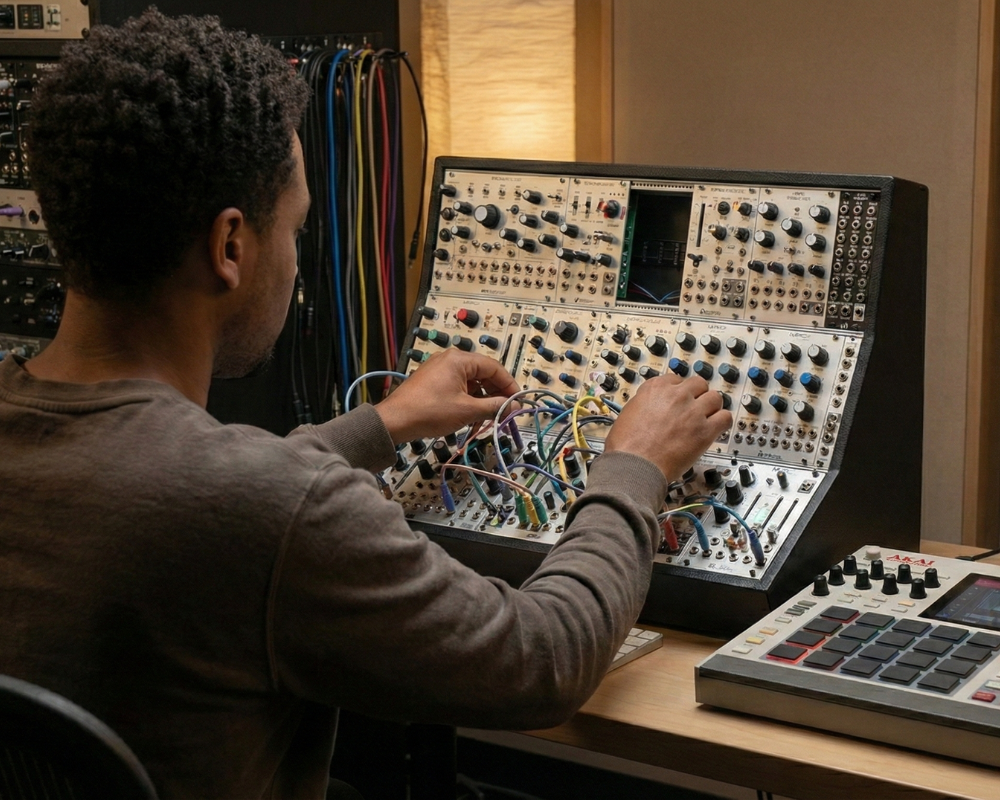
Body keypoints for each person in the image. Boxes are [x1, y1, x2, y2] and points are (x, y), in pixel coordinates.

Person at [0, 9, 731, 800]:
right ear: (231, 247)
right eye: (299, 229)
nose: (297, 264)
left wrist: (380, 424)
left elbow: (184, 487)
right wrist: (632, 468)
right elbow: (542, 661)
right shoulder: (272, 511)